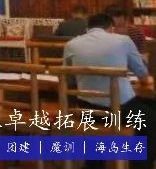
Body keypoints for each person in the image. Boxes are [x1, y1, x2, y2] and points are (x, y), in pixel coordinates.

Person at [64, 13, 156, 169]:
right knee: (151, 120)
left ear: (88, 28)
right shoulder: (123, 41)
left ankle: (94, 164)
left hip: (86, 110)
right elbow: (142, 73)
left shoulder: (71, 44)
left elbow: (69, 79)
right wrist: (146, 81)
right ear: (110, 28)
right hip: (118, 110)